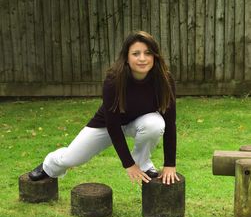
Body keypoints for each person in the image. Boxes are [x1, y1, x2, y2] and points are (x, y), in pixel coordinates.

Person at [29, 31, 179, 185]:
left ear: (154, 56)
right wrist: (128, 164)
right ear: (127, 57)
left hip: (140, 123)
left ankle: (142, 163)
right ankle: (49, 165)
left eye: (148, 53)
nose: (142, 58)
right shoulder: (114, 80)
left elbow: (170, 124)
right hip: (106, 125)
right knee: (73, 158)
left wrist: (169, 164)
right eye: (135, 53)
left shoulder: (164, 80)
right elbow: (113, 126)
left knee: (156, 124)